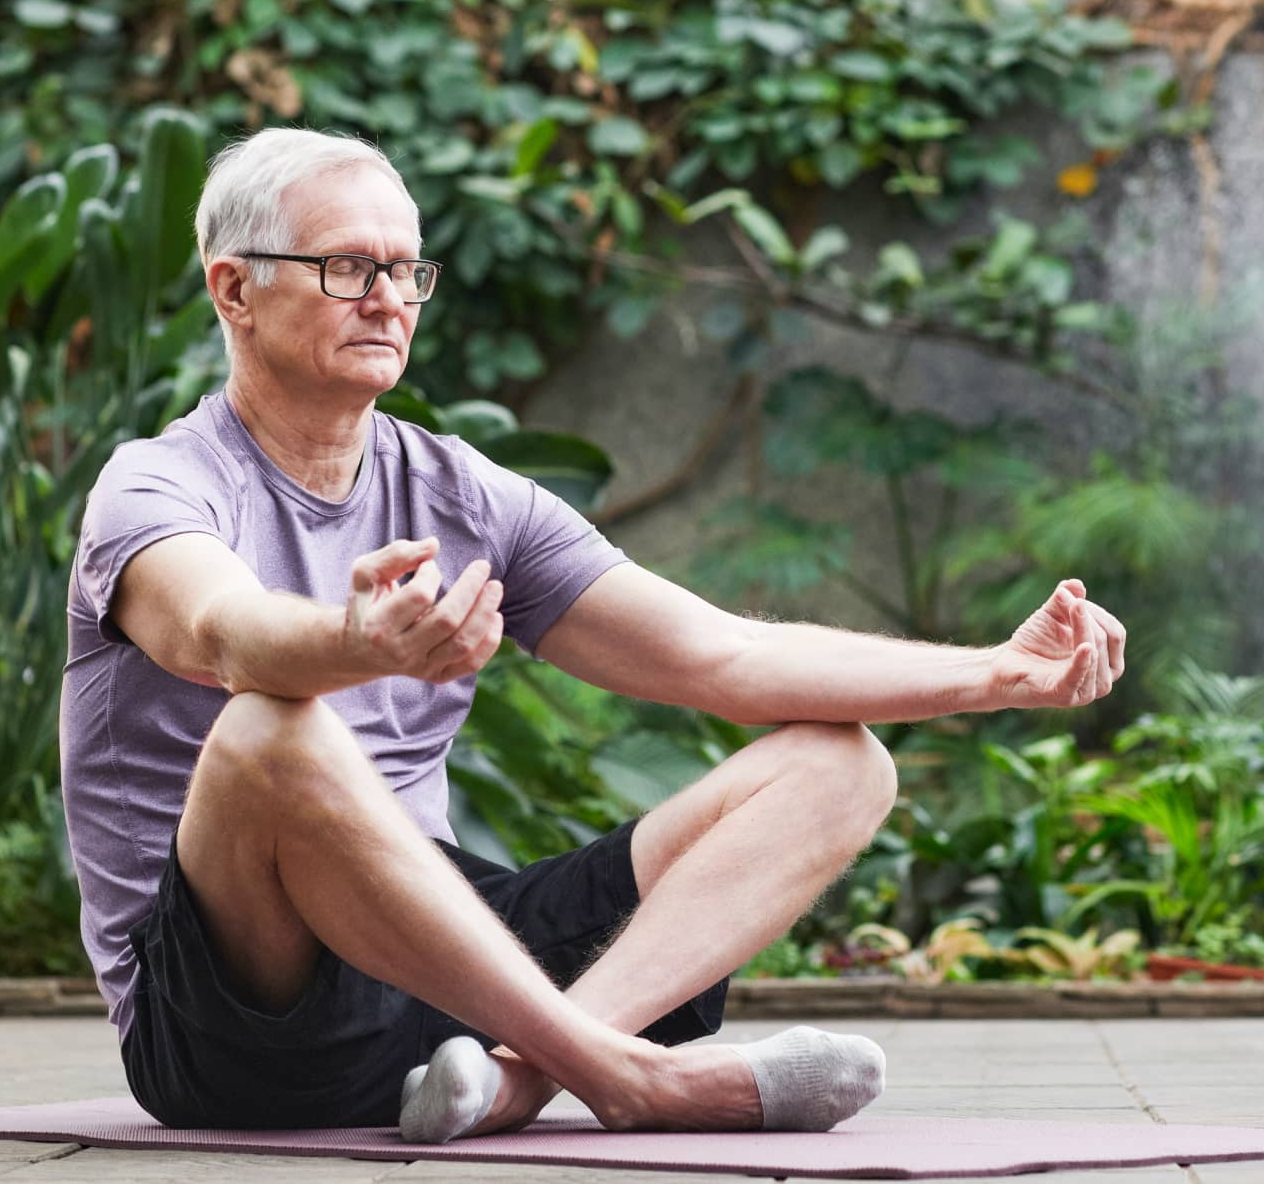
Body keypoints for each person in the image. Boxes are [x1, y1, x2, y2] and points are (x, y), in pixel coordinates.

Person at [58, 127, 1129, 1142]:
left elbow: (723, 657)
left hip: (446, 991)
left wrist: (995, 671)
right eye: (348, 267)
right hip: (234, 1022)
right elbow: (224, 632)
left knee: (839, 761)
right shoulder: (157, 485)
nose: (387, 297)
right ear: (234, 287)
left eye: (406, 269)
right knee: (267, 734)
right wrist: (363, 639)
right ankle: (625, 1074)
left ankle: (520, 1075)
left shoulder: (462, 489)